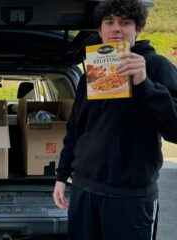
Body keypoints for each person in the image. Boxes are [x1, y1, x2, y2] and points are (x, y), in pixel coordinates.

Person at [53, 0, 177, 240]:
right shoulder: (91, 73)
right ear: (100, 31)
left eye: (125, 22)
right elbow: (75, 129)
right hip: (84, 190)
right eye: (109, 23)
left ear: (137, 29)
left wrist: (145, 84)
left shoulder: (155, 67)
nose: (116, 29)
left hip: (130, 197)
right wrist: (61, 177)